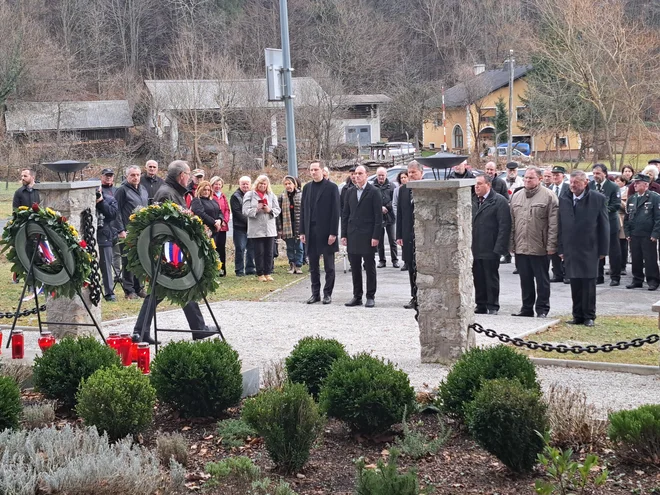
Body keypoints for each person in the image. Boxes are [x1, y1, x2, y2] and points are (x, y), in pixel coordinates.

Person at [133, 160, 218, 344]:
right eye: (188, 174)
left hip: (172, 250)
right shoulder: (166, 193)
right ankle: (197, 328)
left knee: (166, 290)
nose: (189, 178)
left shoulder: (172, 192)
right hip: (170, 252)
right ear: (181, 176)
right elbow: (167, 225)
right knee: (182, 286)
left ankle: (141, 332)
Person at [558, 170, 609, 327]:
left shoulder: (597, 199)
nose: (572, 186)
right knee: (575, 282)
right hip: (570, 248)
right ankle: (577, 315)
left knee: (588, 283)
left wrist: (603, 250)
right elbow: (560, 225)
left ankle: (589, 315)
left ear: (586, 182)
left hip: (590, 247)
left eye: (576, 183)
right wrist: (560, 248)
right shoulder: (564, 198)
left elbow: (604, 225)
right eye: (571, 182)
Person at [510, 166, 558, 318]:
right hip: (521, 246)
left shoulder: (549, 196)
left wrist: (551, 245)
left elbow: (553, 224)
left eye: (531, 178)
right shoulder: (516, 196)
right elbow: (512, 223)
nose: (527, 180)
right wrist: (511, 244)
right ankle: (526, 308)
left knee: (542, 280)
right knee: (525, 280)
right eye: (525, 178)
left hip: (540, 247)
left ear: (540, 179)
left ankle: (542, 309)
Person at [342, 165, 382, 308]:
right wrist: (344, 234)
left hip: (368, 234)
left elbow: (378, 216)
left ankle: (370, 296)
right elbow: (345, 214)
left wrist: (375, 236)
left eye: (360, 173)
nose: (356, 176)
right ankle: (357, 295)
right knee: (355, 267)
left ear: (366, 175)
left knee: (369, 266)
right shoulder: (350, 192)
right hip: (353, 234)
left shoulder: (374, 192)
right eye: (355, 174)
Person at [300, 162, 341, 304]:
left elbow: (336, 212)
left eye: (316, 169)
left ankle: (327, 293)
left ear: (322, 171)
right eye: (311, 170)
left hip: (326, 232)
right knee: (313, 266)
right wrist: (302, 231)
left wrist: (333, 233)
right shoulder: (307, 188)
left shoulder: (331, 187)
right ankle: (315, 293)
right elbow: (303, 211)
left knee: (329, 266)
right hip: (311, 231)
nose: (313, 172)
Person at [472, 174, 512, 315]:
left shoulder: (498, 201)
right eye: (475, 184)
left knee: (491, 277)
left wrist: (500, 248)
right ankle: (480, 303)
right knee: (478, 277)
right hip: (475, 247)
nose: (476, 186)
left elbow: (504, 226)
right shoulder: (473, 201)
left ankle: (493, 304)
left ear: (488, 185)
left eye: (479, 184)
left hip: (491, 246)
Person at [115, 165, 148, 300]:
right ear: (127, 176)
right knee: (128, 260)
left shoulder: (143, 189)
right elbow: (116, 211)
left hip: (141, 231)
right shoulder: (122, 190)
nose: (135, 177)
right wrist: (120, 230)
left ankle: (139, 287)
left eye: (138, 175)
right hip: (127, 231)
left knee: (140, 259)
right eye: (132, 175)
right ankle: (129, 290)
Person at [624, 173, 660, 290]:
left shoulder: (654, 197)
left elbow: (658, 218)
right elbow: (627, 217)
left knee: (650, 258)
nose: (635, 185)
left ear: (646, 185)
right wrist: (627, 233)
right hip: (634, 233)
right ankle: (637, 279)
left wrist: (655, 234)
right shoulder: (632, 198)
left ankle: (653, 280)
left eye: (638, 183)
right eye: (635, 183)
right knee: (636, 258)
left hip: (648, 234)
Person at [396, 161, 424, 309]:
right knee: (411, 268)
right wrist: (399, 234)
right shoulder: (403, 190)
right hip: (408, 236)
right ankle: (414, 297)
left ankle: (424, 297)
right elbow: (400, 214)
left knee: (423, 268)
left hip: (424, 237)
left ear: (421, 173)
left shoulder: (427, 189)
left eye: (414, 172)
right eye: (409, 173)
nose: (411, 175)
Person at [243, 175, 280, 282]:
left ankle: (268, 272)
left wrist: (269, 210)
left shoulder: (271, 195)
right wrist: (256, 209)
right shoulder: (250, 195)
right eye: (261, 183)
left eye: (264, 184)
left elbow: (277, 209)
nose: (262, 186)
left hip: (269, 227)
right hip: (256, 228)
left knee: (269, 252)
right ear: (257, 184)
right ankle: (260, 273)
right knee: (259, 252)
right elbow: (245, 210)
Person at [589, 163, 621, 286]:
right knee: (597, 250)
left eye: (598, 173)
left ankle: (615, 277)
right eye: (594, 174)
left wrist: (600, 211)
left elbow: (615, 205)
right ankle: (598, 276)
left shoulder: (613, 187)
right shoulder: (590, 186)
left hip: (610, 224)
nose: (595, 176)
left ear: (605, 174)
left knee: (614, 251)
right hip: (595, 225)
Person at [191, 181, 226, 273]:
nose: (206, 192)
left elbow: (220, 212)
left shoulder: (212, 200)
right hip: (205, 230)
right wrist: (213, 222)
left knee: (216, 251)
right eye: (204, 190)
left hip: (215, 229)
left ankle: (217, 271)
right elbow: (200, 213)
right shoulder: (196, 200)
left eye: (208, 190)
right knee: (207, 252)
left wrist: (219, 220)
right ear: (199, 190)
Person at [96, 169, 119, 302]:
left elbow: (112, 214)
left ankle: (109, 292)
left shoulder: (109, 198)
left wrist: (101, 202)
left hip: (104, 234)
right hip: (88, 236)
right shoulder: (86, 200)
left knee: (106, 264)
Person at [373, 167, 399, 268]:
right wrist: (380, 207)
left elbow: (394, 200)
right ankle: (382, 260)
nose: (381, 177)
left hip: (390, 216)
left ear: (386, 175)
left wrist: (387, 207)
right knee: (379, 240)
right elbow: (371, 201)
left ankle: (395, 260)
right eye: (379, 175)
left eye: (382, 175)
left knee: (392, 239)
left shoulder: (391, 186)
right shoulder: (373, 187)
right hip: (378, 217)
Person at [277, 175, 303, 275]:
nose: (288, 186)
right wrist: (280, 229)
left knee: (299, 247)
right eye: (286, 184)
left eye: (290, 183)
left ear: (294, 184)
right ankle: (292, 264)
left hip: (298, 224)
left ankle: (299, 265)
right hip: (287, 225)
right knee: (290, 247)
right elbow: (279, 214)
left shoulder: (300, 195)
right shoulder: (282, 196)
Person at [231, 176, 256, 276]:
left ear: (250, 184)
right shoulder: (235, 196)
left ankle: (250, 268)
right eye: (243, 184)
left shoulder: (253, 195)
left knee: (251, 249)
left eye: (247, 184)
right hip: (240, 227)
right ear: (239, 184)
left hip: (251, 228)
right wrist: (250, 221)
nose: (245, 186)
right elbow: (237, 213)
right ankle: (239, 270)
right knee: (240, 249)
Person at [548, 165, 569, 283]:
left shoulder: (568, 188)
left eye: (557, 175)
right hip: (552, 222)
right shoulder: (549, 188)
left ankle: (567, 273)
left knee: (565, 248)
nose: (555, 177)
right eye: (553, 175)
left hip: (564, 222)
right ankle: (557, 273)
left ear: (563, 176)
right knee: (553, 248)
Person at [210, 176, 230, 277]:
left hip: (223, 227)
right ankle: (214, 269)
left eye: (219, 184)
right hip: (213, 226)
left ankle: (222, 269)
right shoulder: (210, 196)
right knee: (214, 247)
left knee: (221, 248)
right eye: (215, 184)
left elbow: (226, 209)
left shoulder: (223, 196)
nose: (217, 186)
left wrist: (224, 221)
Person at [615, 175, 629, 275]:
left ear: (624, 182)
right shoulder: (613, 191)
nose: (616, 182)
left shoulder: (627, 191)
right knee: (613, 244)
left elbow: (627, 207)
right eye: (615, 181)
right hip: (613, 218)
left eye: (618, 181)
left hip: (622, 219)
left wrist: (618, 200)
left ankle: (623, 266)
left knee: (623, 244)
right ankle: (614, 266)